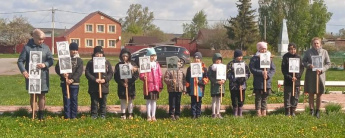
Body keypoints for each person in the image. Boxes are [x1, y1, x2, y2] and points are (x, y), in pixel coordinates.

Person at [17, 28, 54, 120]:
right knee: (33, 95)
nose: (42, 41)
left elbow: (51, 60)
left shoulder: (46, 47)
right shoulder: (27, 47)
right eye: (40, 39)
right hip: (31, 76)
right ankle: (34, 113)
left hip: (43, 76)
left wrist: (45, 64)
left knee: (42, 95)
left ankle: (41, 114)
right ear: (34, 37)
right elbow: (20, 61)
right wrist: (24, 71)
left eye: (43, 40)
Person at [302, 37, 331, 118]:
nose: (316, 45)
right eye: (314, 43)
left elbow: (328, 64)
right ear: (312, 44)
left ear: (320, 44)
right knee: (311, 93)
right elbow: (303, 62)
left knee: (319, 93)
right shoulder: (308, 52)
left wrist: (322, 69)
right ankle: (311, 110)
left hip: (320, 75)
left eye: (317, 43)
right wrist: (309, 65)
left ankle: (318, 111)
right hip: (310, 75)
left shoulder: (324, 52)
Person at [55, 42, 83, 119]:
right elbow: (57, 68)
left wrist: (72, 79)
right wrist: (63, 75)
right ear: (69, 50)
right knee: (66, 99)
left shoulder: (79, 60)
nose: (74, 51)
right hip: (65, 83)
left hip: (74, 84)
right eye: (72, 50)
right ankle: (67, 116)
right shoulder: (63, 59)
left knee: (74, 99)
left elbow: (79, 71)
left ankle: (73, 116)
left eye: (76, 50)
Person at [85, 46, 113, 119]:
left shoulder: (106, 62)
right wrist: (94, 79)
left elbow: (110, 73)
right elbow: (87, 73)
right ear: (94, 54)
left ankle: (103, 114)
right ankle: (94, 114)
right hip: (93, 86)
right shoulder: (90, 63)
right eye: (97, 53)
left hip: (104, 86)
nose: (99, 55)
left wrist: (105, 79)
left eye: (101, 53)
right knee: (94, 101)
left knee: (103, 101)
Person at [249, 42, 276, 117]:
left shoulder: (269, 58)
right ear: (259, 49)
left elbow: (273, 69)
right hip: (258, 81)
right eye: (262, 49)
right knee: (258, 97)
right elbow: (252, 68)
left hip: (267, 81)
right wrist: (261, 72)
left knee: (265, 96)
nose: (264, 50)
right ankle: (258, 111)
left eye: (265, 49)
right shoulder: (255, 58)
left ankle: (264, 111)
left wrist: (268, 75)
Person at [114, 48, 139, 120]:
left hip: (130, 86)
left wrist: (129, 82)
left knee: (130, 100)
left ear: (129, 56)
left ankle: (130, 113)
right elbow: (116, 76)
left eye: (126, 56)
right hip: (122, 86)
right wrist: (122, 83)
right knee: (123, 100)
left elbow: (136, 75)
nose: (125, 58)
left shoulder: (133, 64)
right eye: (123, 56)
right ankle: (123, 114)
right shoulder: (118, 65)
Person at [139, 48, 163, 121]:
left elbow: (160, 75)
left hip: (156, 86)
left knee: (154, 101)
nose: (152, 57)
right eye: (151, 56)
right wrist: (144, 77)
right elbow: (141, 74)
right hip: (148, 85)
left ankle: (153, 115)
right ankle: (148, 115)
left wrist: (160, 85)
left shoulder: (157, 65)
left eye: (154, 55)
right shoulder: (145, 64)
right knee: (148, 101)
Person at [281, 43, 304, 117]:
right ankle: (287, 111)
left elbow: (301, 68)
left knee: (295, 95)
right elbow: (283, 69)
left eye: (294, 49)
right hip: (288, 80)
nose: (293, 50)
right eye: (291, 49)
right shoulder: (285, 57)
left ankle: (293, 110)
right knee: (288, 96)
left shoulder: (299, 57)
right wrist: (290, 77)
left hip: (296, 80)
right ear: (288, 49)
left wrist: (297, 76)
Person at [227, 49, 250, 117]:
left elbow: (248, 73)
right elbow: (228, 74)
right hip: (233, 85)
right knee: (234, 98)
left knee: (241, 98)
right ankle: (235, 112)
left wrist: (243, 79)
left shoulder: (244, 64)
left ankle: (240, 112)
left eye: (241, 56)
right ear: (235, 56)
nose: (240, 58)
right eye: (238, 56)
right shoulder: (231, 64)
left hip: (242, 85)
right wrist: (235, 79)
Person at [186, 52, 208, 119]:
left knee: (199, 101)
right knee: (193, 101)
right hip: (192, 87)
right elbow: (187, 79)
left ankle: (198, 114)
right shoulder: (190, 68)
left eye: (198, 58)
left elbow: (206, 78)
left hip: (200, 88)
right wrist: (187, 88)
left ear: (200, 59)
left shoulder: (203, 68)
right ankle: (193, 114)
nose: (196, 59)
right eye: (195, 58)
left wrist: (200, 82)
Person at [208, 53, 226, 118]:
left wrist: (223, 80)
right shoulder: (211, 67)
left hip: (220, 85)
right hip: (214, 85)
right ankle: (213, 113)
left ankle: (218, 113)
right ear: (214, 60)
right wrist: (216, 81)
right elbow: (209, 76)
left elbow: (224, 75)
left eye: (219, 59)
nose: (218, 61)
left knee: (218, 99)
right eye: (217, 60)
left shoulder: (223, 66)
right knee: (214, 99)